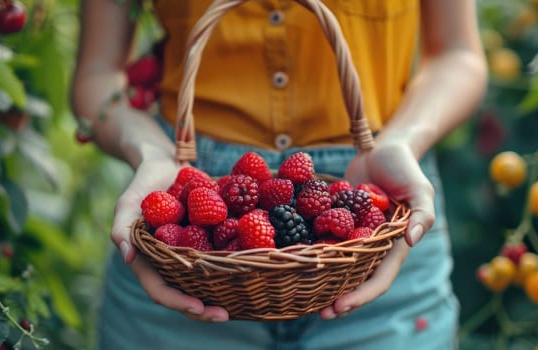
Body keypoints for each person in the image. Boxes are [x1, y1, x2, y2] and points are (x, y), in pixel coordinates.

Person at [71, 0, 487, 349]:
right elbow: (97, 73)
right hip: (187, 234)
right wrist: (151, 153)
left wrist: (402, 142)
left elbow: (458, 54)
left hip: (374, 223)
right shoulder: (195, 212)